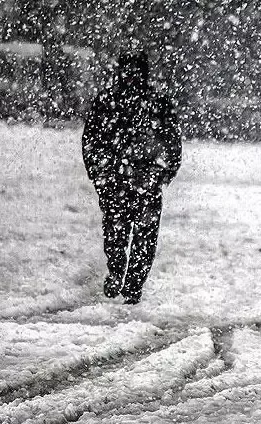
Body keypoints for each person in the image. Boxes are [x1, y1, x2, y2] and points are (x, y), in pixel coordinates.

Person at [82, 50, 182, 304]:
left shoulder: (108, 102)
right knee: (140, 237)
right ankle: (130, 283)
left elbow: (91, 142)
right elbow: (172, 144)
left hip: (123, 180)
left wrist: (101, 173)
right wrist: (161, 174)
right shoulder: (154, 103)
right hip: (139, 181)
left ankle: (121, 275)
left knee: (119, 231)